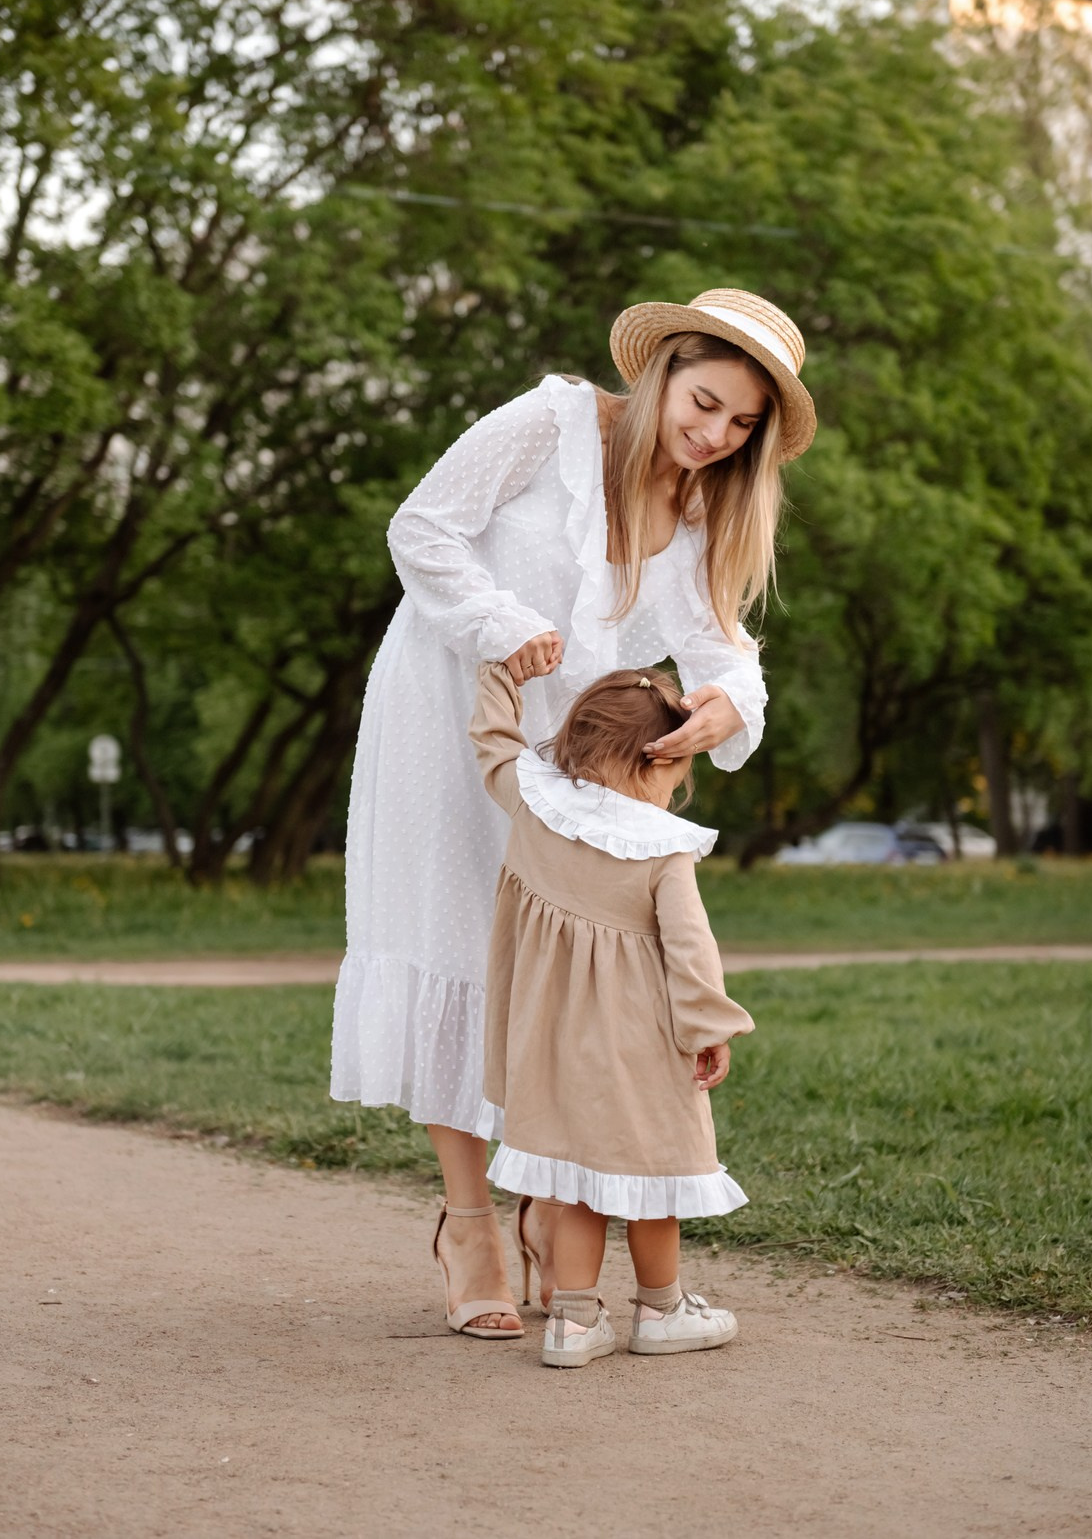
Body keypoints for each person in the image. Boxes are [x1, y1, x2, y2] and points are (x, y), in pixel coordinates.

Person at [330, 287, 816, 1337]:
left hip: (567, 751)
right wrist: (502, 622)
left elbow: (723, 644)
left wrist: (729, 699)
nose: (712, 436)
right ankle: (470, 1226)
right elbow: (421, 529)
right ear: (661, 369)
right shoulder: (546, 424)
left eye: (738, 428)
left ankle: (558, 1216)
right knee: (458, 944)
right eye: (704, 402)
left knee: (551, 974)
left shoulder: (696, 508)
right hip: (447, 704)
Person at [468, 660, 754, 1366]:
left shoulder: (533, 805)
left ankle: (571, 1321)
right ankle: (660, 1311)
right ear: (660, 762)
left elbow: (493, 742)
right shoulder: (662, 850)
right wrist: (708, 1029)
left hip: (553, 1048)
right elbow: (692, 954)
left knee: (578, 1186)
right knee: (653, 1183)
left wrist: (500, 670)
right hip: (639, 1051)